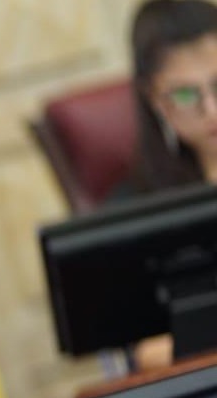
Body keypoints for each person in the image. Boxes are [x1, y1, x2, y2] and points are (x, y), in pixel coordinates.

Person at [117, 0, 217, 369]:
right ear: (154, 100)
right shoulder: (137, 210)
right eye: (186, 95)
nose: (212, 110)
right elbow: (148, 353)